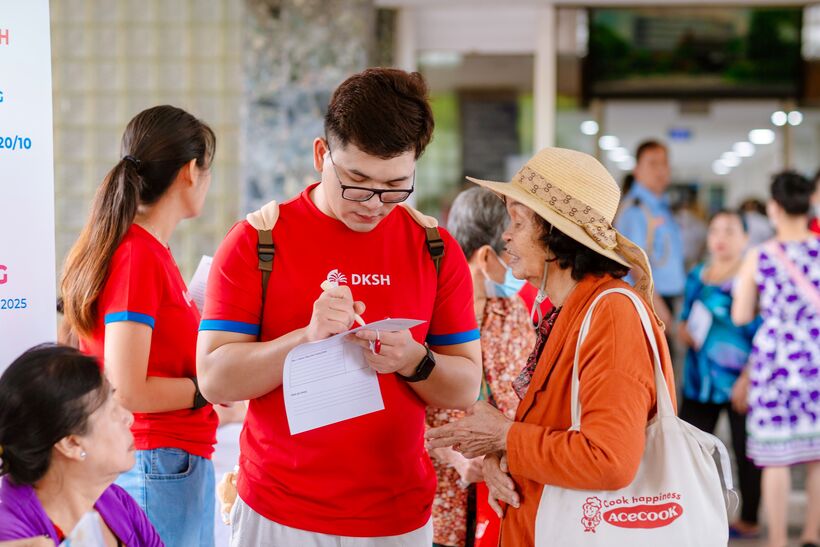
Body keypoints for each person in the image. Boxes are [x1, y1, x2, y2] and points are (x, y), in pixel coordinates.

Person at [196, 68, 481, 546]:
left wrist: (414, 359)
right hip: (278, 512)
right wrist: (304, 338)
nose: (373, 203)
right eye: (356, 180)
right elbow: (214, 378)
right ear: (321, 154)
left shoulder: (436, 249)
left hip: (398, 518)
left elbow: (465, 386)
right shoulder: (257, 241)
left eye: (395, 186)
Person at [425, 147, 676, 546]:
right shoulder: (563, 311)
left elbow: (608, 460)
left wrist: (504, 437)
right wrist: (501, 460)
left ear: (556, 235)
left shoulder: (610, 315)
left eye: (519, 222)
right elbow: (556, 431)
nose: (506, 235)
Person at [60, 105, 218, 546]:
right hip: (157, 462)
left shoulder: (148, 252)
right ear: (191, 171)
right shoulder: (138, 256)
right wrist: (208, 388)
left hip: (166, 462)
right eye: (208, 171)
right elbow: (127, 388)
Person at [427, 187, 535, 547]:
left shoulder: (512, 311)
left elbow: (526, 394)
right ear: (487, 255)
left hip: (504, 496)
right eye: (512, 242)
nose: (519, 256)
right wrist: (450, 455)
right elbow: (393, 411)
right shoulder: (425, 313)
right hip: (437, 501)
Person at [733, 171, 820, 547]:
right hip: (815, 359)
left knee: (776, 457)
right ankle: (813, 536)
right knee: (817, 455)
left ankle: (779, 540)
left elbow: (740, 315)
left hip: (776, 363)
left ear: (774, 207)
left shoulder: (761, 255)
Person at [0, 344, 161, 546]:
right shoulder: (13, 534)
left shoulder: (116, 500)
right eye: (112, 411)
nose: (128, 418)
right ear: (71, 443)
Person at [677, 210, 761, 538]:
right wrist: (683, 329)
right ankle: (694, 516)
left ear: (745, 238)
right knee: (691, 452)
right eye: (715, 231)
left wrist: (749, 378)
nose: (721, 238)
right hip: (700, 380)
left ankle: (750, 519)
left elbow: (764, 331)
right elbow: (685, 316)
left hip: (741, 380)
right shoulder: (698, 274)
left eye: (729, 231)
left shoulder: (752, 278)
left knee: (746, 453)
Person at [616, 139, 685, 328]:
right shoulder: (635, 210)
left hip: (668, 297)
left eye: (664, 163)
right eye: (653, 163)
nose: (660, 170)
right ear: (637, 169)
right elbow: (634, 260)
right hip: (651, 300)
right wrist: (657, 305)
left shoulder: (661, 207)